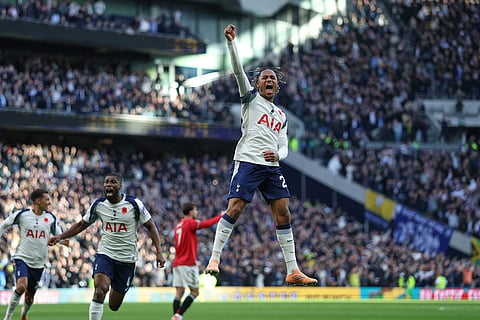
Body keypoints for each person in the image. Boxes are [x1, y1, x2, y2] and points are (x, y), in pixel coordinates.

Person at [205, 24, 317, 286]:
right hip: (247, 162)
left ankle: (292, 270)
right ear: (257, 83)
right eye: (264, 78)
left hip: (271, 167)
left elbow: (285, 146)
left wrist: (277, 155)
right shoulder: (250, 99)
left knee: (284, 214)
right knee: (236, 207)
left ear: (277, 87)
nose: (269, 80)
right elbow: (237, 71)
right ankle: (214, 258)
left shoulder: (281, 115)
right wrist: (232, 43)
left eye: (273, 79)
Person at [48, 172, 165, 320]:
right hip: (106, 255)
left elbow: (151, 226)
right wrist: (60, 236)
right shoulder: (99, 205)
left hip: (127, 260)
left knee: (114, 306)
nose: (108, 185)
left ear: (120, 186)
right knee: (99, 289)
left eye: (113, 182)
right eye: (106, 182)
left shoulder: (134, 204)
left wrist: (159, 253)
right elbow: (82, 224)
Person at [1, 188, 68, 320]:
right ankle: (7, 317)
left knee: (30, 297)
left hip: (38, 263)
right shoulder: (22, 215)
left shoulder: (50, 218)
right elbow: (4, 224)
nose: (49, 202)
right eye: (47, 199)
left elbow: (60, 236)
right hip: (22, 258)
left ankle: (24, 314)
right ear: (37, 201)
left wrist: (62, 241)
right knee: (21, 287)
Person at [171, 202, 222, 320]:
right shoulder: (190, 223)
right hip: (188, 263)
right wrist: (221, 216)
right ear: (190, 212)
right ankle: (178, 315)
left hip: (177, 263)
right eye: (195, 210)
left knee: (179, 292)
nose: (196, 212)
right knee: (195, 292)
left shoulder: (178, 226)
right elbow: (206, 224)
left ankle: (175, 317)